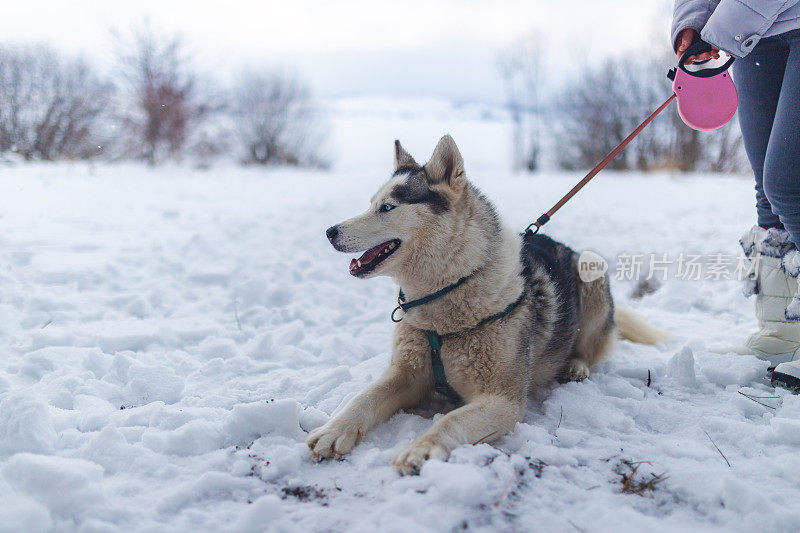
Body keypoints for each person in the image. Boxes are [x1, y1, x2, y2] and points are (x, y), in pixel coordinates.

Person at [671, 0, 800, 391]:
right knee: (767, 186)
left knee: (787, 183)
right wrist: (690, 28)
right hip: (757, 38)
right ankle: (783, 331)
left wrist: (717, 32)